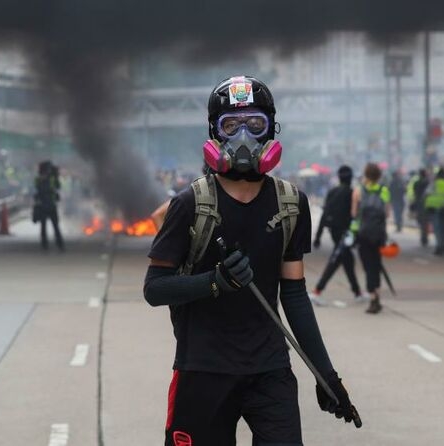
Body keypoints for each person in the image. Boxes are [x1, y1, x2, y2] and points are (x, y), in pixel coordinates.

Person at [144, 76, 360, 445]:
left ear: (271, 130)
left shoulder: (291, 203)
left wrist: (327, 376)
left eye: (255, 124)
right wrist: (214, 282)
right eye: (230, 125)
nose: (243, 135)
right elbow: (155, 289)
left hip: (270, 373)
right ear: (214, 133)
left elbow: (294, 296)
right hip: (202, 371)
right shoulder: (189, 204)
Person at [311, 165, 363, 302]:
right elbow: (355, 216)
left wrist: (318, 236)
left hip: (334, 232)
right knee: (335, 261)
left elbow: (324, 214)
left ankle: (357, 293)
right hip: (345, 234)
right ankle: (317, 291)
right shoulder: (352, 193)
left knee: (347, 261)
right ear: (351, 178)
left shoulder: (332, 192)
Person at [351, 163, 391, 314]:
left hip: (363, 234)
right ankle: (377, 295)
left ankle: (372, 296)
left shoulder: (358, 191)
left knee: (368, 266)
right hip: (379, 234)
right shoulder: (384, 190)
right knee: (376, 264)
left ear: (366, 175)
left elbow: (354, 214)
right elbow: (387, 214)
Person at [34, 160, 64, 251]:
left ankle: (46, 245)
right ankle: (59, 245)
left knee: (47, 226)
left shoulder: (39, 178)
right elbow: (57, 186)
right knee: (54, 226)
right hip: (49, 205)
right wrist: (54, 176)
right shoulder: (46, 178)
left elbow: (57, 186)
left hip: (45, 204)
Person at [424, 167, 444, 256]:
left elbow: (426, 193)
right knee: (443, 229)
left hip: (434, 208)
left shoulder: (434, 183)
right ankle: (442, 245)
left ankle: (439, 247)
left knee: (437, 229)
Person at [408, 168, 429, 246]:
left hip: (419, 205)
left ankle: (424, 236)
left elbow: (414, 194)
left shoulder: (416, 183)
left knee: (421, 221)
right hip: (427, 204)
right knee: (425, 222)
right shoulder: (428, 182)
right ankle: (424, 236)